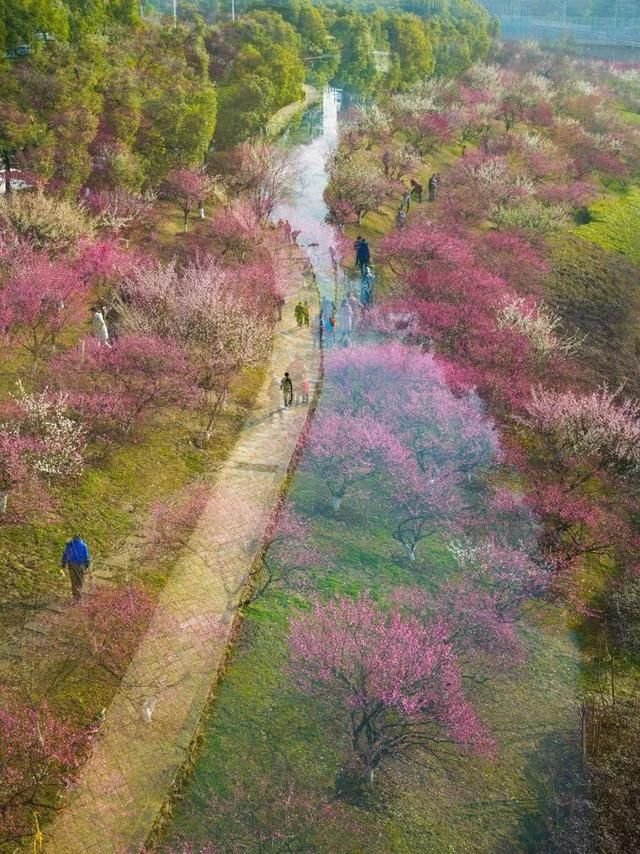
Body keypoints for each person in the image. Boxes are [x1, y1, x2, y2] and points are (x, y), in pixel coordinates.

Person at [61, 534, 91, 601]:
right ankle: (79, 596)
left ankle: (75, 596)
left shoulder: (70, 545)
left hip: (71, 565)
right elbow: (86, 556)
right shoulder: (84, 545)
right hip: (81, 565)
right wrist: (87, 565)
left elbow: (65, 554)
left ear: (74, 538)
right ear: (80, 538)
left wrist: (63, 563)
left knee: (74, 581)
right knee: (80, 581)